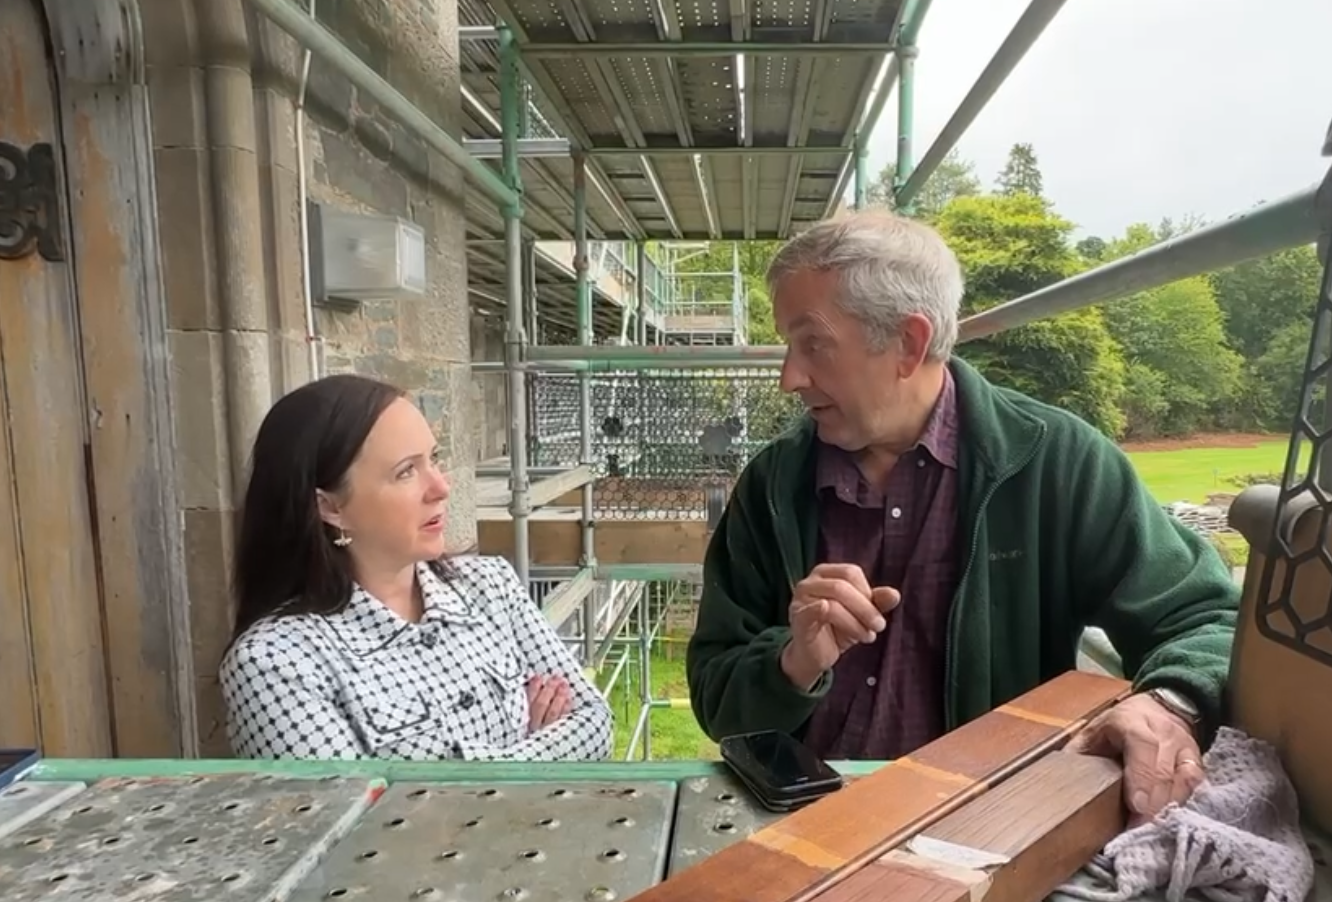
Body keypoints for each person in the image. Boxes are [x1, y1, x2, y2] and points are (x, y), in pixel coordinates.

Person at [685, 209, 1239, 824]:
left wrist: (1165, 703)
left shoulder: (1056, 462)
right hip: (803, 829)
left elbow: (1210, 618)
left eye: (812, 343)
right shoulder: (771, 486)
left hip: (994, 828)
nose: (790, 376)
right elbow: (716, 698)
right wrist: (793, 661)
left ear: (908, 343)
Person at [219, 374, 613, 762]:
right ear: (331, 507)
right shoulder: (276, 663)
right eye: (406, 471)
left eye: (434, 459)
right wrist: (531, 753)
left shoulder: (490, 585)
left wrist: (445, 776)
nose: (441, 487)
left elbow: (595, 724)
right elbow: (359, 820)